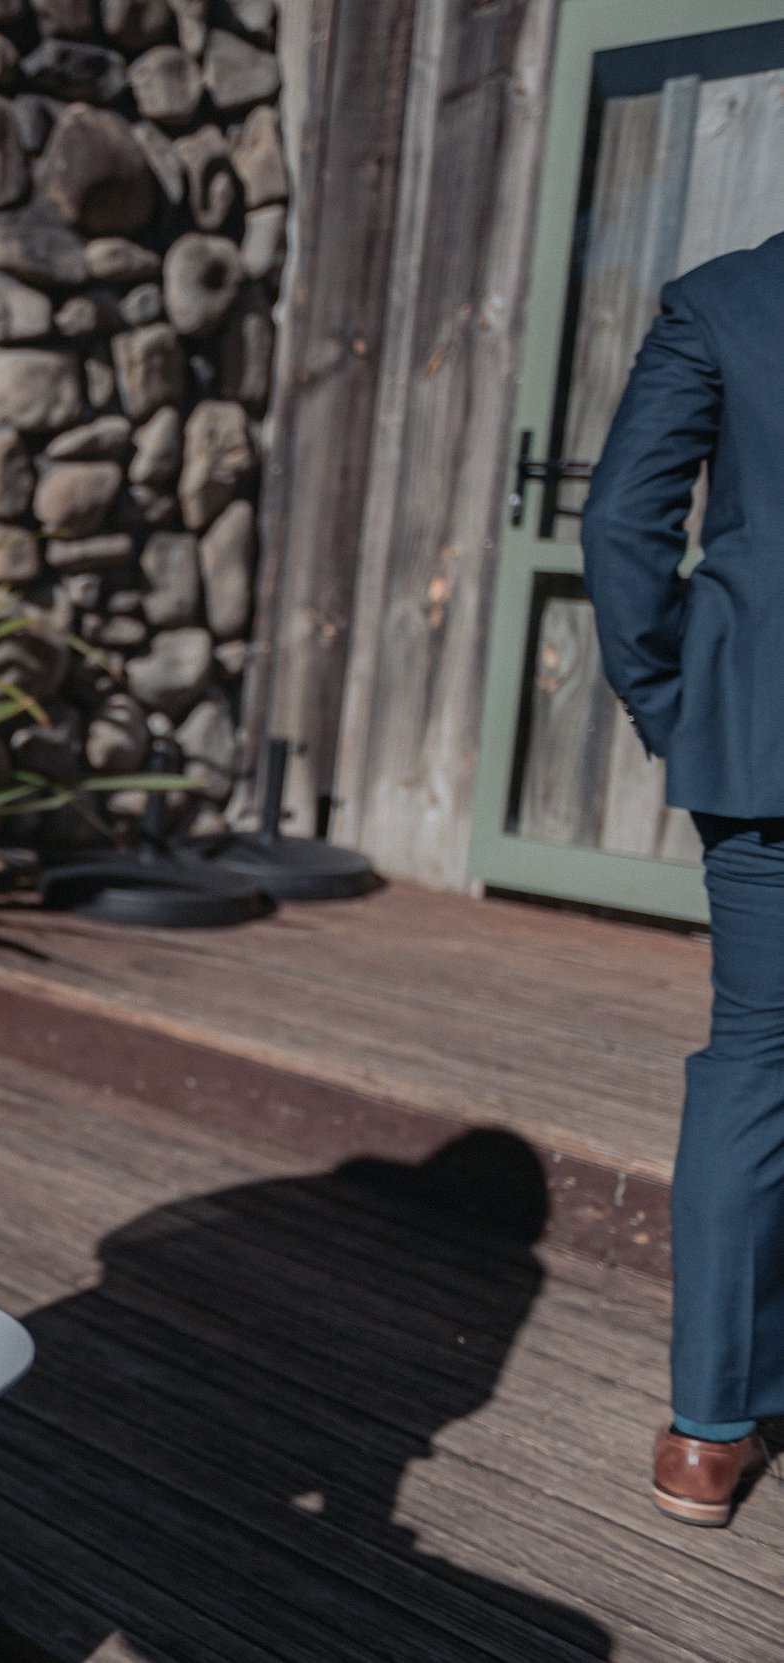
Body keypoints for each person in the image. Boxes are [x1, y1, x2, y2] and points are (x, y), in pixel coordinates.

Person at [584, 229, 784, 1528]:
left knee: (759, 1056)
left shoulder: (724, 301)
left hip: (768, 744)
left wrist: (679, 706)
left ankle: (708, 1437)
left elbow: (621, 523)